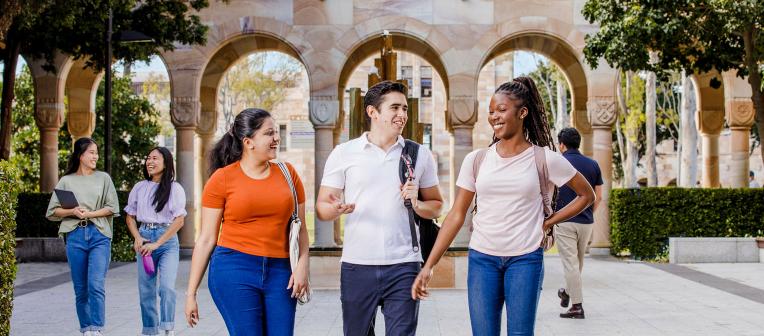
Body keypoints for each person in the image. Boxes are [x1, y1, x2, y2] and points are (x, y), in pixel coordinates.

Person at [411, 77, 595, 336]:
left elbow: (586, 195)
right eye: (490, 111)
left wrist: (548, 221)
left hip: (525, 259)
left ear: (522, 113)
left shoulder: (545, 159)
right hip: (482, 260)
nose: (494, 117)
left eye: (501, 110)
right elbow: (456, 215)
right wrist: (429, 265)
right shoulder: (477, 160)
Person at [316, 80, 443, 336]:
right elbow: (321, 208)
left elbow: (437, 206)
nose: (402, 115)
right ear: (372, 112)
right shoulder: (344, 153)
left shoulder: (418, 154)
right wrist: (336, 209)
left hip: (404, 265)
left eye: (405, 109)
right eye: (395, 108)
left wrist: (417, 203)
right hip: (356, 265)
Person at [184, 108, 310, 336]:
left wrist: (302, 266)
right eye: (269, 133)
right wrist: (191, 293)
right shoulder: (221, 179)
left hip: (281, 271)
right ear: (248, 141)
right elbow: (206, 239)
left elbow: (300, 229)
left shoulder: (288, 174)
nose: (276, 138)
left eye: (276, 132)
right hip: (235, 269)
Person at [46, 137, 120, 336]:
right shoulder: (66, 181)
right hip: (75, 236)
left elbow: (113, 208)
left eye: (97, 152)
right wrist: (73, 212)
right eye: (92, 152)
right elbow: (52, 212)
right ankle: (86, 329)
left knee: (96, 284)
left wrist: (89, 214)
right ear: (80, 155)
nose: (96, 156)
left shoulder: (104, 178)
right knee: (81, 288)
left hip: (99, 235)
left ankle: (97, 329)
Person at [125, 147, 186, 336]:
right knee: (146, 291)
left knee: (167, 287)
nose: (150, 162)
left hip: (166, 242)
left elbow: (179, 220)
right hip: (144, 240)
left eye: (155, 158)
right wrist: (137, 237)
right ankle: (150, 331)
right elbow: (130, 217)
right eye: (148, 158)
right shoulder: (139, 187)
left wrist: (157, 243)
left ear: (166, 163)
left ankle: (167, 328)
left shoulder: (174, 188)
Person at [553, 128, 603, 319]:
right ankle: (566, 292)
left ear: (562, 144)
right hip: (587, 222)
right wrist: (588, 212)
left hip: (564, 221)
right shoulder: (593, 164)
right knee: (578, 264)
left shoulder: (558, 163)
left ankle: (576, 306)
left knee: (571, 265)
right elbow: (598, 197)